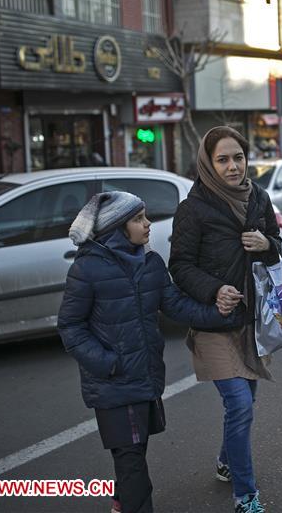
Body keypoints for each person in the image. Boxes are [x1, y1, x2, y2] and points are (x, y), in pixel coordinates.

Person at [58, 191, 233, 513]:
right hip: (113, 381)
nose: (147, 224)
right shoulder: (88, 269)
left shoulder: (150, 261)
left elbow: (175, 304)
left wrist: (221, 313)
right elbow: (70, 326)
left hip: (144, 375)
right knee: (132, 459)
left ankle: (122, 500)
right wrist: (108, 363)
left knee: (132, 453)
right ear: (117, 228)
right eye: (138, 219)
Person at [169, 126, 282, 513]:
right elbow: (180, 266)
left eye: (238, 157)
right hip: (214, 323)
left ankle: (225, 462)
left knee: (246, 400)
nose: (233, 166)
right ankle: (245, 496)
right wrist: (213, 289)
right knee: (239, 404)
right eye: (223, 159)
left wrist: (267, 245)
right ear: (208, 163)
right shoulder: (193, 208)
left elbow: (277, 249)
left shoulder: (259, 198)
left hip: (251, 322)